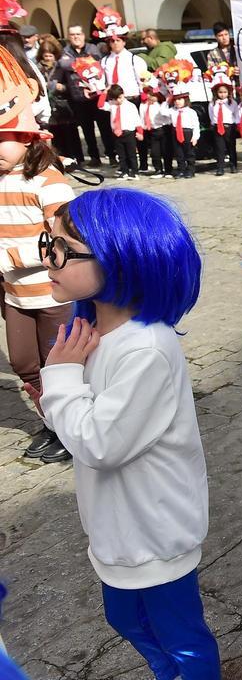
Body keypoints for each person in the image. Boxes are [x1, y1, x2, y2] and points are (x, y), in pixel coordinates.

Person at [36, 188, 219, 678]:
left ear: (120, 259)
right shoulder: (88, 332)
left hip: (154, 529)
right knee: (126, 618)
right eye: (46, 244)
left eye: (61, 251)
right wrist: (63, 382)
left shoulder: (145, 349)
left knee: (181, 637)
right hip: (117, 525)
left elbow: (98, 444)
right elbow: (72, 426)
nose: (48, 260)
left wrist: (58, 378)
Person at [0, 48, 76, 464]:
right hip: (15, 295)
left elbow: (65, 242)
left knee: (59, 364)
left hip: (50, 294)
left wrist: (10, 256)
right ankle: (52, 422)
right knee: (26, 364)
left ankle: (71, 428)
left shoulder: (48, 180)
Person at [60, 25, 106, 167]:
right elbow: (64, 64)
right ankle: (94, 157)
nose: (76, 37)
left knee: (104, 128)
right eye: (72, 34)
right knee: (87, 131)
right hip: (79, 98)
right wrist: (85, 64)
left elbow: (98, 62)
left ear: (83, 35)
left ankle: (111, 154)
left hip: (97, 96)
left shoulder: (93, 48)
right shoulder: (65, 52)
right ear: (69, 37)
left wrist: (77, 65)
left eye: (78, 34)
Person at [38, 38, 83, 163]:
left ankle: (75, 157)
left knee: (70, 134)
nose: (48, 58)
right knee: (56, 136)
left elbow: (72, 85)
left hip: (65, 105)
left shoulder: (61, 67)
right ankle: (60, 158)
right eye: (45, 55)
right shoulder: (39, 69)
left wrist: (61, 87)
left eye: (50, 55)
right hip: (51, 106)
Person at [102, 84, 140, 180]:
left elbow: (137, 120)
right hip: (117, 134)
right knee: (121, 155)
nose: (118, 101)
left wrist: (140, 132)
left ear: (123, 94)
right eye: (115, 99)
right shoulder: (112, 105)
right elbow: (100, 105)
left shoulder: (130, 106)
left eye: (119, 97)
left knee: (131, 154)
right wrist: (104, 92)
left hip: (128, 133)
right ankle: (124, 171)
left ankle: (134, 172)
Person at [207, 64, 238, 175]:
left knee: (231, 147)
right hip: (217, 127)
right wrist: (213, 123)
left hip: (229, 126)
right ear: (216, 92)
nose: (222, 94)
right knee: (219, 148)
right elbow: (211, 114)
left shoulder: (232, 102)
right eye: (220, 92)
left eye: (225, 92)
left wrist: (236, 123)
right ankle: (220, 167)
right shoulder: (213, 103)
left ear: (228, 92)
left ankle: (233, 165)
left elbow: (235, 113)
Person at [137, 72, 169, 178]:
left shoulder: (161, 105)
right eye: (148, 94)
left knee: (166, 151)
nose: (150, 96)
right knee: (155, 152)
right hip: (152, 131)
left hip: (162, 129)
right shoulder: (143, 105)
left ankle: (168, 170)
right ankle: (158, 169)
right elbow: (141, 118)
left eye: (152, 94)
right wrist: (142, 129)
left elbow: (166, 116)